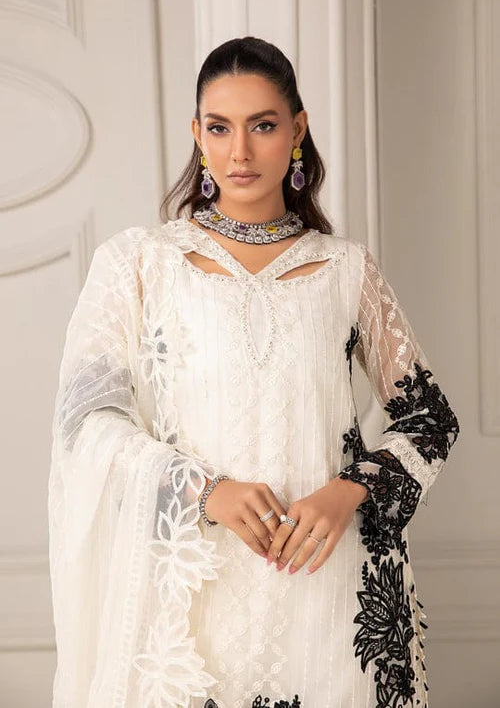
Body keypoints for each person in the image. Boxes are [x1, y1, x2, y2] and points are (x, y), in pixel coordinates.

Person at [48, 36, 460, 708]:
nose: (239, 151)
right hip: (193, 596)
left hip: (327, 590)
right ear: (197, 135)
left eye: (262, 126)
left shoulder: (345, 270)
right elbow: (87, 421)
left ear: (297, 130)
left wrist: (348, 490)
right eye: (220, 128)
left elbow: (429, 419)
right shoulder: (140, 264)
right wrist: (202, 489)